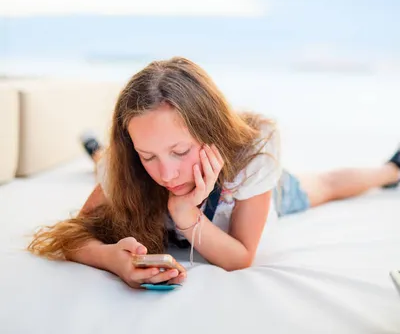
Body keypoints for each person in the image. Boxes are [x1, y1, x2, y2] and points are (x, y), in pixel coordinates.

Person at [28, 57, 400, 290]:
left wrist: (184, 214)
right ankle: (98, 150)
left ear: (210, 132)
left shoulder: (256, 155)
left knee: (325, 185)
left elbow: (240, 257)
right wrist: (112, 258)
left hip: (257, 191)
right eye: (148, 155)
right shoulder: (124, 162)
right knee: (108, 165)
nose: (167, 173)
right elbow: (74, 234)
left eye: (180, 151)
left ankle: (390, 169)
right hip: (119, 159)